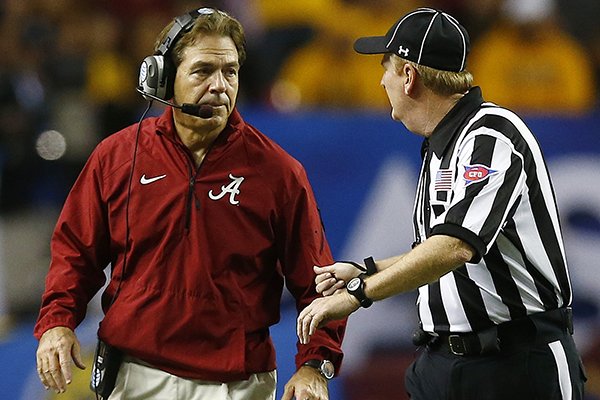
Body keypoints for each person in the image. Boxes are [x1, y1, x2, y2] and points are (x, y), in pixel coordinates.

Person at [34, 7, 345, 400]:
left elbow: (319, 282)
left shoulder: (277, 173)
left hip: (236, 384)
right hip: (133, 375)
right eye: (202, 71)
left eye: (229, 72)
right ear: (164, 78)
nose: (219, 86)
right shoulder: (117, 157)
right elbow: (76, 253)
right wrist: (57, 323)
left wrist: (315, 364)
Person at [297, 7, 587, 399]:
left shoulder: (491, 137)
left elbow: (455, 246)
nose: (381, 82)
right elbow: (434, 251)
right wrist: (363, 270)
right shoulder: (439, 148)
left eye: (386, 68)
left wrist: (358, 295)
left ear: (409, 76)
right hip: (444, 364)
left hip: (516, 366)